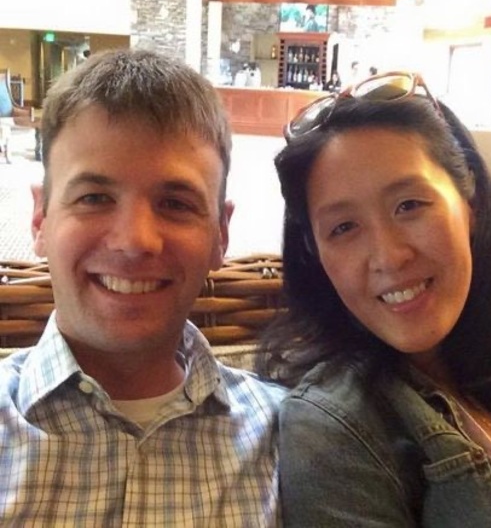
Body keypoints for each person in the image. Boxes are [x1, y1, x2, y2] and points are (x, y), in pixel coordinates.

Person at [257, 71, 491, 526]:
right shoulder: (333, 428)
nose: (388, 257)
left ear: (470, 204)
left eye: (409, 206)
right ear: (316, 254)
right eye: (344, 228)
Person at [0, 49, 286, 525]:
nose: (134, 241)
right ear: (40, 219)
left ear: (221, 234)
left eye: (175, 203)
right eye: (94, 197)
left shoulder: (287, 440)